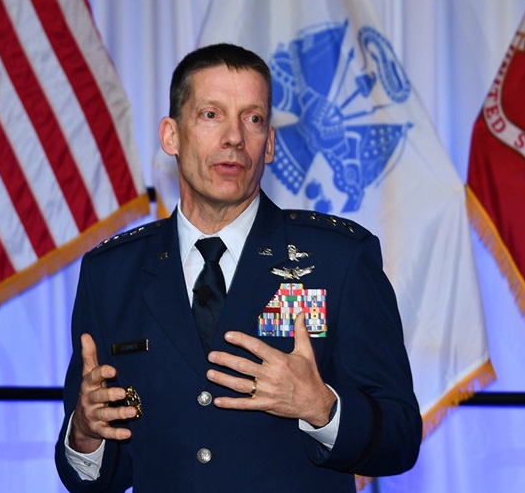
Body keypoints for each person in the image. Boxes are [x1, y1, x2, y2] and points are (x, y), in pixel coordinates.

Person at [55, 43, 421, 492]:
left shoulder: (338, 260)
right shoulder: (112, 274)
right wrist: (86, 434)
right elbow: (99, 478)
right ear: (171, 136)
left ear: (268, 145)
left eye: (253, 119)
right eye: (211, 115)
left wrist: (321, 407)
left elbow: (401, 438)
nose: (234, 137)